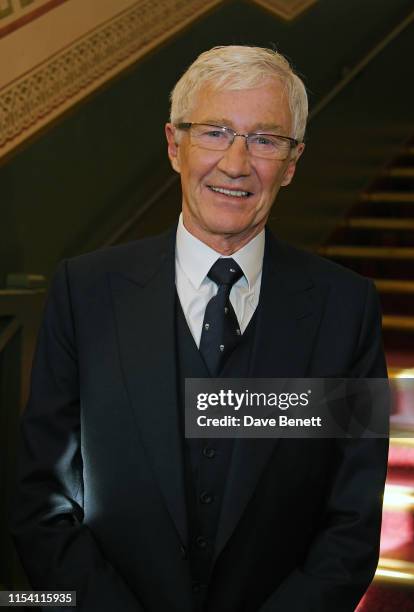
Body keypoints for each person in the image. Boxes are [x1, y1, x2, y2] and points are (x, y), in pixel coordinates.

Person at [11, 46, 388, 611]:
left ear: (291, 162)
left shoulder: (346, 308)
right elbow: (42, 503)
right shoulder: (84, 294)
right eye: (214, 132)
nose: (236, 163)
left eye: (265, 139)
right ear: (174, 145)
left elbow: (351, 521)